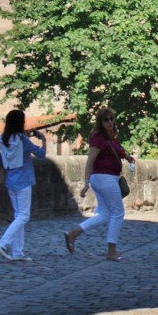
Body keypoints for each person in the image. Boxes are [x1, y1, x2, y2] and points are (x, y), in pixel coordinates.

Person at [64, 107, 135, 262]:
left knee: (105, 215)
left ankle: (73, 233)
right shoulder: (98, 138)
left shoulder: (110, 138)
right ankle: (111, 251)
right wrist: (86, 182)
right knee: (118, 213)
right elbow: (90, 160)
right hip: (104, 178)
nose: (109, 122)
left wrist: (128, 157)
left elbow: (118, 151)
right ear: (100, 122)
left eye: (111, 119)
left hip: (108, 178)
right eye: (106, 119)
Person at [0, 109, 46, 262]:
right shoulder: (22, 139)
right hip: (23, 181)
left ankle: (18, 252)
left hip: (10, 180)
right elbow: (41, 155)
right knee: (24, 216)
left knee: (18, 216)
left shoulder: (3, 138)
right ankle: (2, 243)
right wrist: (43, 140)